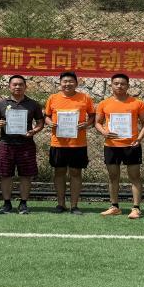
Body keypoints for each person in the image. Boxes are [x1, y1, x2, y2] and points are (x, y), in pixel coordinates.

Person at [94, 73, 144, 219]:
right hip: (111, 145)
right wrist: (104, 132)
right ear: (111, 85)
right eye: (116, 83)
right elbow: (97, 122)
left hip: (132, 145)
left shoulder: (137, 103)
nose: (119, 86)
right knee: (113, 176)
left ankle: (136, 208)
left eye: (123, 84)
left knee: (135, 176)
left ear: (128, 86)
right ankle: (114, 207)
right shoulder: (104, 103)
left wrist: (139, 139)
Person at [0, 75, 45, 215]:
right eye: (14, 84)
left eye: (21, 84)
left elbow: (40, 122)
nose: (17, 87)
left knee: (26, 175)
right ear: (9, 87)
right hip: (6, 144)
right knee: (5, 175)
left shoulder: (33, 104)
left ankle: (23, 204)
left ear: (25, 87)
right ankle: (7, 204)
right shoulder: (0, 104)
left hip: (26, 144)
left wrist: (34, 131)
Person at [44, 71, 96, 215]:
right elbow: (46, 116)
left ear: (76, 83)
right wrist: (50, 122)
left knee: (75, 172)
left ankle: (74, 205)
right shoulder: (53, 98)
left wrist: (86, 124)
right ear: (60, 83)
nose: (67, 84)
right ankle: (61, 204)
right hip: (58, 143)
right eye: (65, 81)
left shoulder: (85, 98)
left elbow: (92, 116)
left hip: (78, 143)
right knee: (59, 172)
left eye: (71, 81)